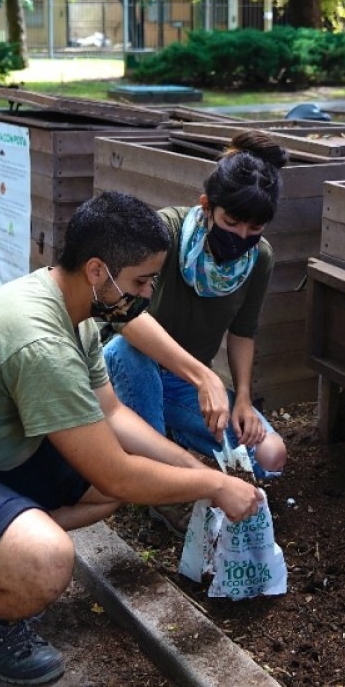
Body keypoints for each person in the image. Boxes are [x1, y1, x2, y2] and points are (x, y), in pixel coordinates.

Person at [0, 191, 260, 685]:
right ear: (96, 271)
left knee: (101, 491)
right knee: (48, 561)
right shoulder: (40, 341)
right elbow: (120, 474)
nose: (148, 294)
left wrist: (197, 470)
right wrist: (216, 488)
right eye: (141, 281)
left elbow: (113, 416)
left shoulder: (69, 309)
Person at [104, 131, 291, 501]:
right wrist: (205, 377)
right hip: (119, 365)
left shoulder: (260, 258)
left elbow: (243, 332)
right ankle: (154, 485)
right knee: (129, 351)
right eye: (232, 222)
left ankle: (162, 440)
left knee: (270, 454)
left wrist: (243, 401)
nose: (242, 236)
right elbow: (122, 313)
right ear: (207, 206)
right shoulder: (165, 233)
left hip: (179, 382)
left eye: (255, 228)